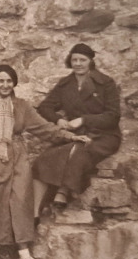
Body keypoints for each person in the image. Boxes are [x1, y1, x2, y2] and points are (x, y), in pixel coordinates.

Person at [0, 64, 84, 259]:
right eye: (1, 81)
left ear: (14, 83)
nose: (5, 85)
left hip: (17, 158)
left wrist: (70, 136)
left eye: (9, 81)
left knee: (20, 200)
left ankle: (24, 252)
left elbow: (44, 128)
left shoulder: (22, 106)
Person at [33, 43, 123, 211]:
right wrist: (58, 120)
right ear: (70, 61)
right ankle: (36, 211)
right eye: (74, 60)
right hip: (76, 135)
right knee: (44, 159)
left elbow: (113, 117)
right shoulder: (65, 84)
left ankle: (63, 191)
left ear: (90, 61)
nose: (78, 64)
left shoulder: (105, 83)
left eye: (83, 60)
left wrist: (84, 120)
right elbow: (45, 107)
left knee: (78, 152)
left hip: (104, 136)